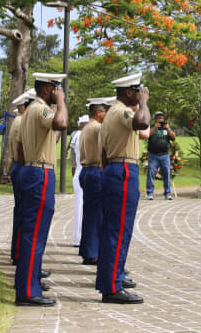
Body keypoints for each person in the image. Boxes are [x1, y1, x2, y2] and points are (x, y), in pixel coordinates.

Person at [96, 72, 150, 304]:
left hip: (114, 170)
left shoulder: (112, 113)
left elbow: (104, 153)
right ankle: (112, 286)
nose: (141, 95)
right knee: (119, 231)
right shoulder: (122, 111)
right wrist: (144, 102)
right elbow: (143, 122)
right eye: (138, 91)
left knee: (113, 230)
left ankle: (109, 280)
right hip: (123, 171)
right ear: (130, 92)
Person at [15, 73, 67, 307]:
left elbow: (50, 136)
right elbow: (61, 123)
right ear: (48, 89)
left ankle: (29, 283)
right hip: (39, 173)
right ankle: (28, 291)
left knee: (32, 233)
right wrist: (61, 103)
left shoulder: (31, 111)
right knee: (35, 234)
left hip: (32, 170)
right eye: (56, 87)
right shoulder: (40, 108)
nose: (59, 91)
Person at [79, 99, 107, 263]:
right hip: (95, 169)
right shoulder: (97, 128)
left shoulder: (87, 126)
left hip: (87, 170)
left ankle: (88, 249)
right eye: (104, 111)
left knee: (90, 214)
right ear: (98, 113)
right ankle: (92, 252)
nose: (106, 114)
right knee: (96, 215)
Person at [9, 90, 35, 266]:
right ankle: (21, 255)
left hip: (18, 166)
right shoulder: (23, 121)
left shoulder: (17, 120)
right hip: (23, 165)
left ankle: (18, 253)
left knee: (21, 213)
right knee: (26, 214)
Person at [146, 111, 177, 201]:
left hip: (165, 156)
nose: (160, 120)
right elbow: (147, 135)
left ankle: (167, 193)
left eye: (161, 118)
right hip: (153, 155)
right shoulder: (152, 128)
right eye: (158, 118)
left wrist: (168, 129)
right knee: (151, 173)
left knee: (167, 174)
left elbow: (174, 137)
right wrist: (155, 127)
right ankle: (150, 193)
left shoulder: (166, 128)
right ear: (155, 119)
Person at [71, 114, 89, 247]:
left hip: (80, 171)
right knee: (80, 208)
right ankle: (78, 239)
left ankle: (79, 238)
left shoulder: (79, 135)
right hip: (82, 171)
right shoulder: (81, 135)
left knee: (82, 207)